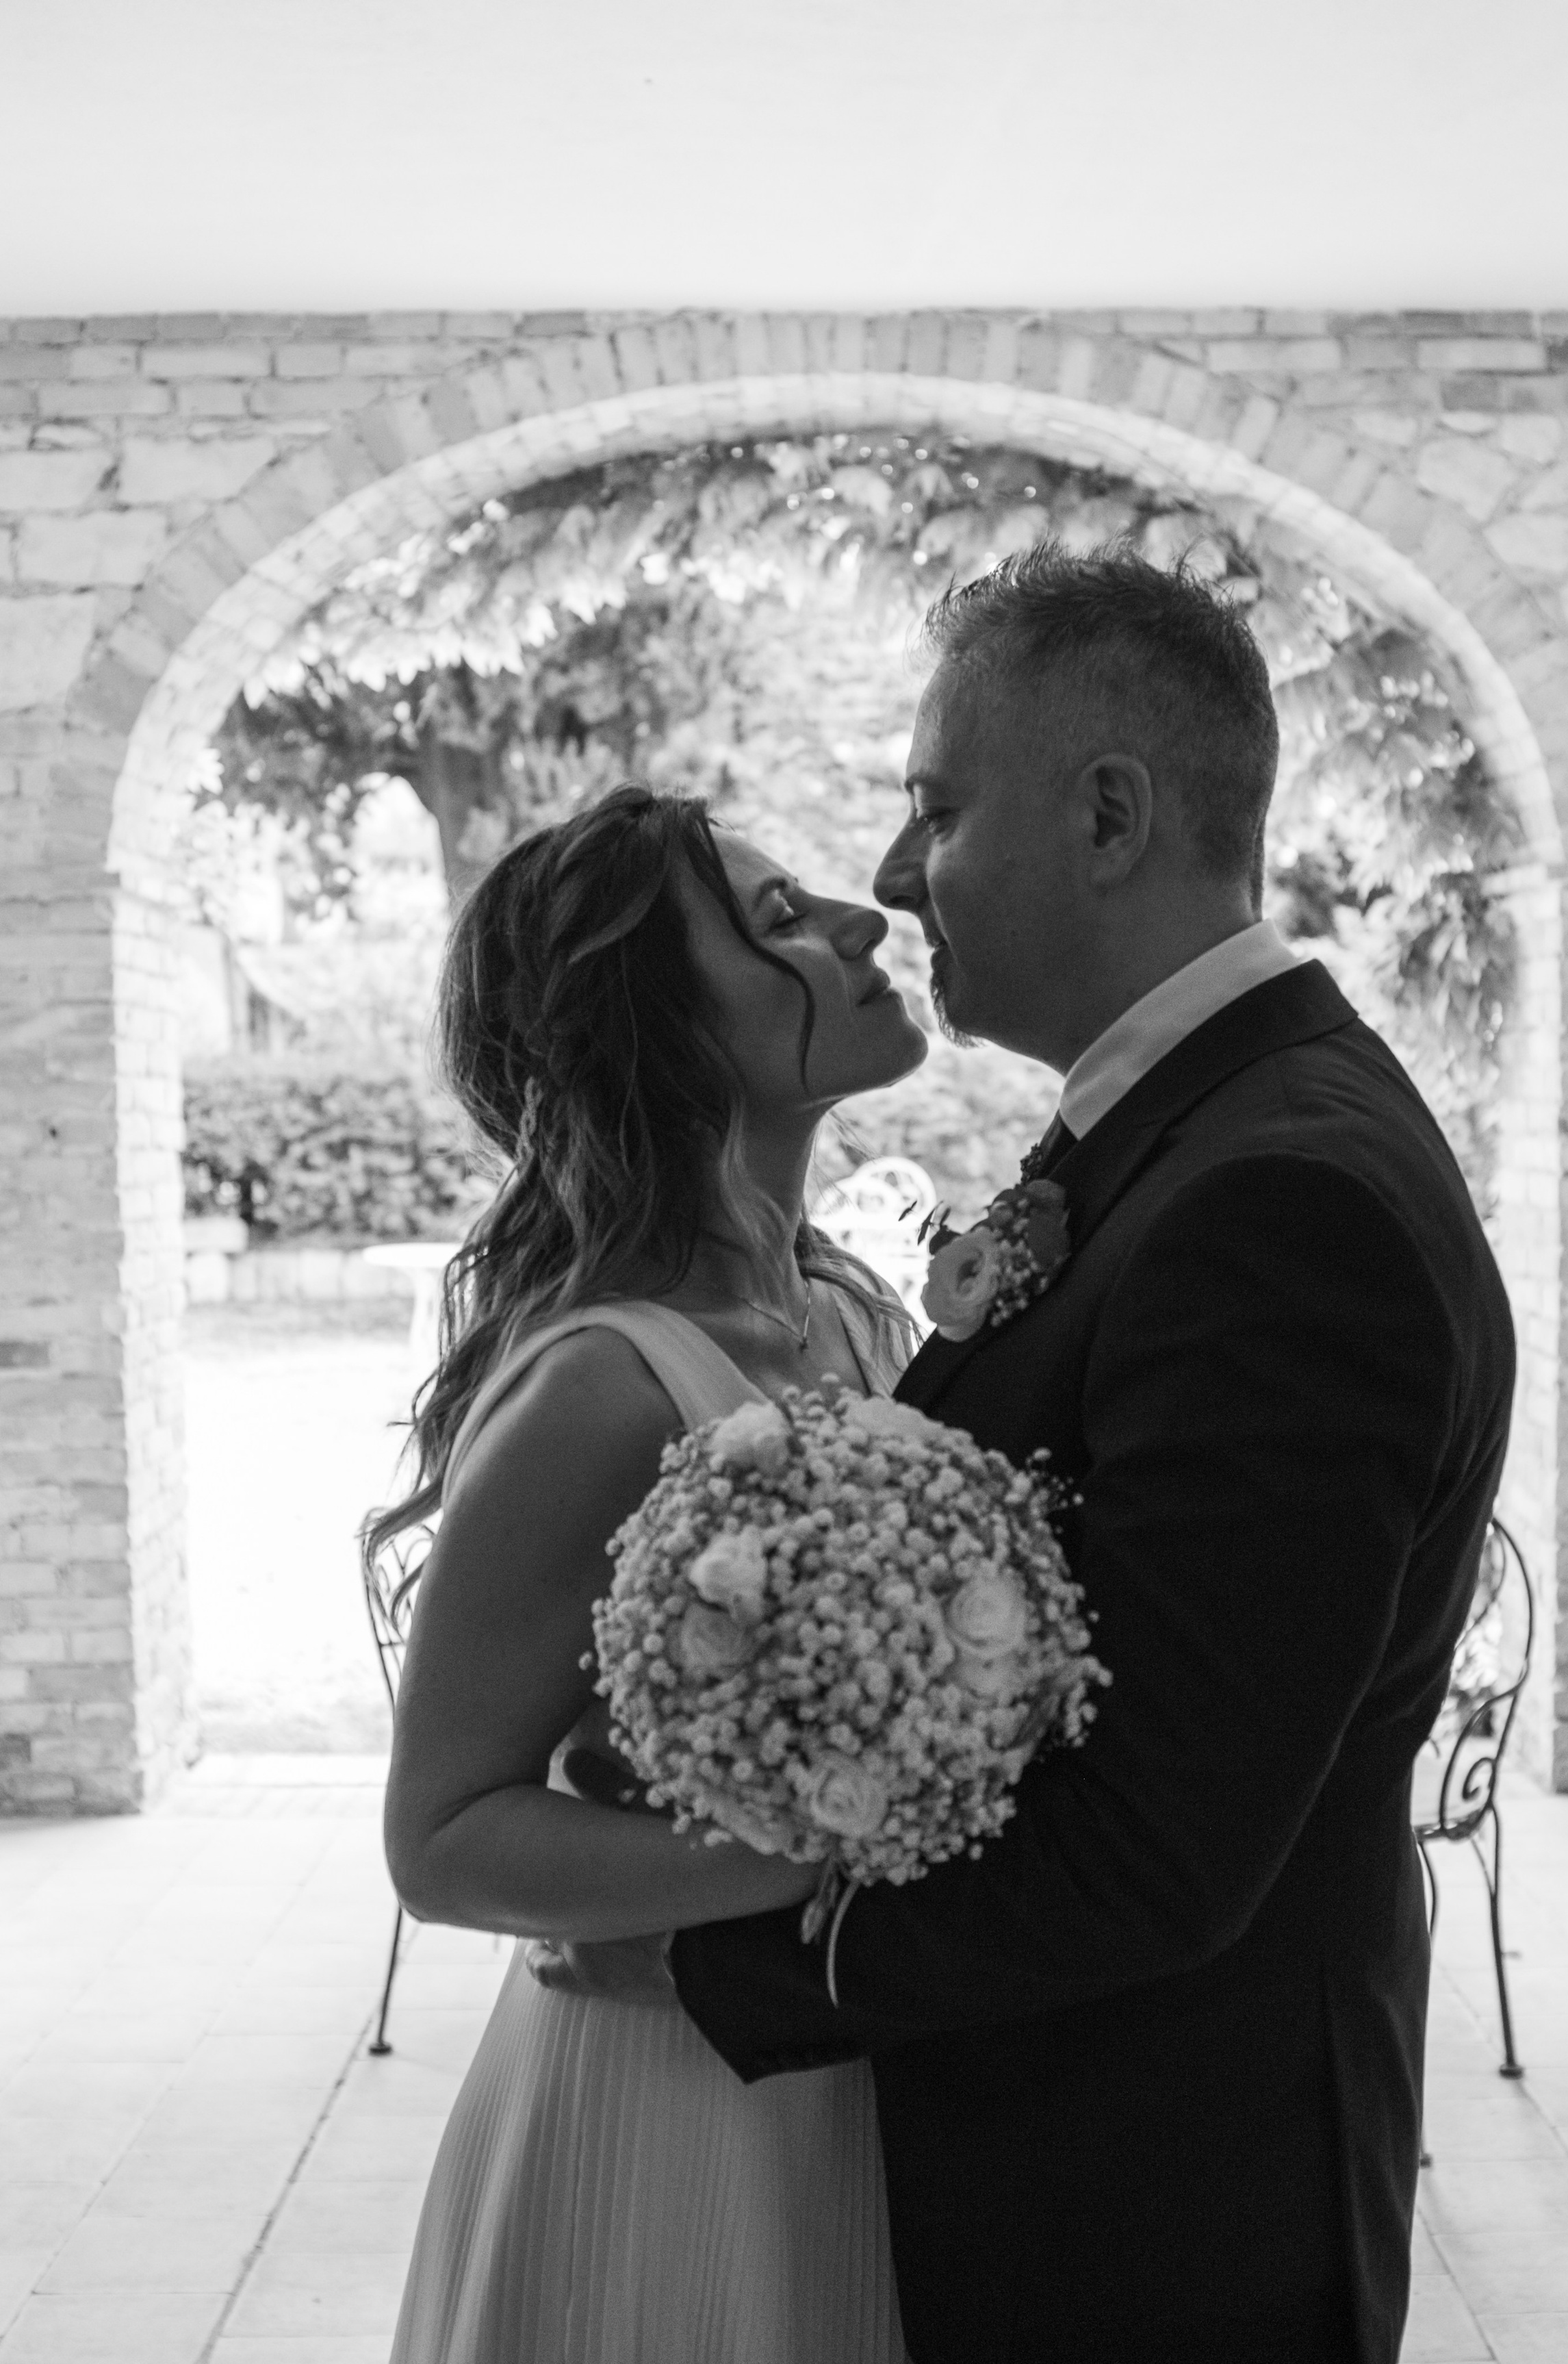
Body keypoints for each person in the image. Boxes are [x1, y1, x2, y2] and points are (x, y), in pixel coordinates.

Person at [669, 544, 1518, 2364]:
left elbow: (1163, 1846)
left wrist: (706, 1964)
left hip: (1153, 2211)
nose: (898, 876)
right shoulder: (1199, 1126)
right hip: (1105, 2164)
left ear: (1112, 812)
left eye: (936, 805)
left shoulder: (1278, 1197)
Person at [373, 785, 925, 2364]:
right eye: (774, 921)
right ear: (658, 1033)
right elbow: (442, 1838)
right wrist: (814, 1852)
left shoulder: (849, 1312)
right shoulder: (602, 1385)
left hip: (856, 2075)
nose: (862, 919)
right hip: (667, 2105)